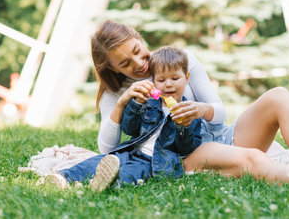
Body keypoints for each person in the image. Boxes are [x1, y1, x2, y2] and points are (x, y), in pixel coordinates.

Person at [87, 20, 289, 191]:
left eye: (138, 51)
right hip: (181, 154)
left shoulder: (176, 61)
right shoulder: (116, 93)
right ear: (112, 69)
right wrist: (122, 102)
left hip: (218, 136)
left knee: (278, 96)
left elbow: (218, 113)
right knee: (251, 157)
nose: (139, 64)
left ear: (139, 38)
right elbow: (105, 149)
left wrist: (201, 110)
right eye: (125, 63)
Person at [44, 46, 202, 191]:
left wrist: (184, 126)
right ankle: (62, 177)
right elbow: (129, 128)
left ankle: (107, 184)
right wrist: (137, 104)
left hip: (153, 161)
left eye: (175, 79)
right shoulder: (149, 103)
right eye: (161, 80)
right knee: (99, 161)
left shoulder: (190, 112)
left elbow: (186, 149)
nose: (168, 85)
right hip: (131, 150)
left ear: (186, 78)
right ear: (153, 82)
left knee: (130, 172)